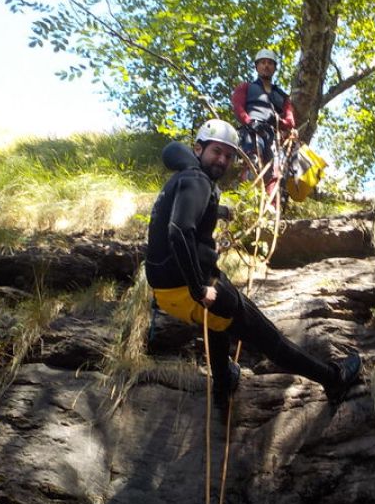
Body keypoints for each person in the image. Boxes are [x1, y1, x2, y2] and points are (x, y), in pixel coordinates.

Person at [144, 118, 361, 415]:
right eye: (216, 152)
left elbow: (180, 213)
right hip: (191, 289)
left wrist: (216, 211)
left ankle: (223, 383)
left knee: (217, 322)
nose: (222, 160)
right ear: (198, 149)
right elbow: (179, 231)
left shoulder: (183, 178)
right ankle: (334, 379)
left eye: (228, 155)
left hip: (165, 292)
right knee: (270, 339)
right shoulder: (197, 180)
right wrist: (199, 288)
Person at [231, 48, 298, 209]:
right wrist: (249, 122)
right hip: (251, 131)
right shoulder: (246, 87)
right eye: (262, 63)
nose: (266, 66)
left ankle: (272, 207)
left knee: (276, 171)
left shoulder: (282, 96)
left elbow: (290, 119)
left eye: (270, 63)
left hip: (272, 135)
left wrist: (280, 122)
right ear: (257, 66)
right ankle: (248, 203)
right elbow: (238, 107)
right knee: (253, 162)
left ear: (274, 68)